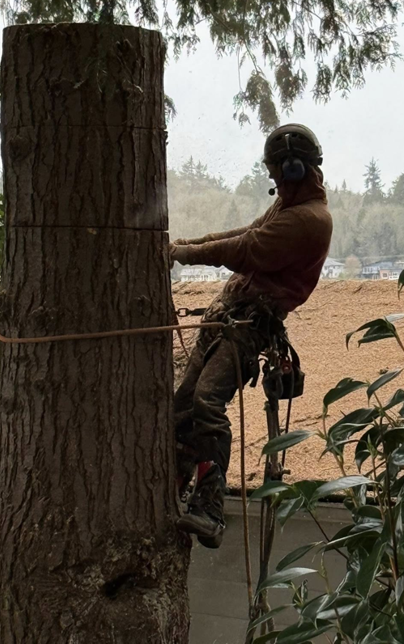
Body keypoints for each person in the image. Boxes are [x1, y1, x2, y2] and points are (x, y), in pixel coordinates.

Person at [169, 124, 333, 548]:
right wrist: (185, 244)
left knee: (207, 400)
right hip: (228, 314)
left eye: (279, 172)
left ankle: (210, 506)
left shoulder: (310, 220)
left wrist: (185, 254)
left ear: (294, 168)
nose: (276, 181)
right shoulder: (288, 206)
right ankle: (174, 484)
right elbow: (240, 234)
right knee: (182, 406)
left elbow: (246, 250)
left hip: (249, 327)